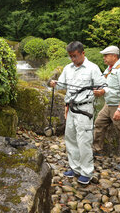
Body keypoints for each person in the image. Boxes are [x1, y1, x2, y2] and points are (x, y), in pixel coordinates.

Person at [49, 41, 105, 184]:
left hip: (85, 109)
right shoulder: (68, 68)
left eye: (75, 56)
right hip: (71, 108)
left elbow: (104, 86)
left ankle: (87, 172)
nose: (73, 59)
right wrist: (55, 83)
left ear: (82, 53)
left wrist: (101, 91)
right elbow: (62, 84)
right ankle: (75, 168)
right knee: (70, 138)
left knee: (84, 141)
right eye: (70, 57)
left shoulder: (93, 68)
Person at [93, 46, 120, 171]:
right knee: (99, 123)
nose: (104, 58)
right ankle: (97, 150)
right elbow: (109, 86)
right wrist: (101, 92)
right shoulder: (109, 68)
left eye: (106, 55)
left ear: (114, 56)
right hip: (109, 104)